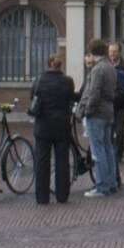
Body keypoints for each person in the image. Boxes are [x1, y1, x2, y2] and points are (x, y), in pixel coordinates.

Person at [30, 51, 75, 205]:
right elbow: (71, 99)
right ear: (59, 65)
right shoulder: (68, 81)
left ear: (48, 64)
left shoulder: (39, 80)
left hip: (43, 126)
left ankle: (42, 197)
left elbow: (33, 98)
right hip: (62, 125)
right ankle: (62, 195)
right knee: (62, 161)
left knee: (42, 162)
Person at [78, 39, 119, 197]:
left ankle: (101, 186)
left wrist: (86, 111)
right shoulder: (110, 67)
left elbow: (94, 93)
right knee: (108, 149)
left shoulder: (97, 69)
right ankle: (112, 183)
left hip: (97, 114)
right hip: (108, 111)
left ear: (92, 51)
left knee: (98, 151)